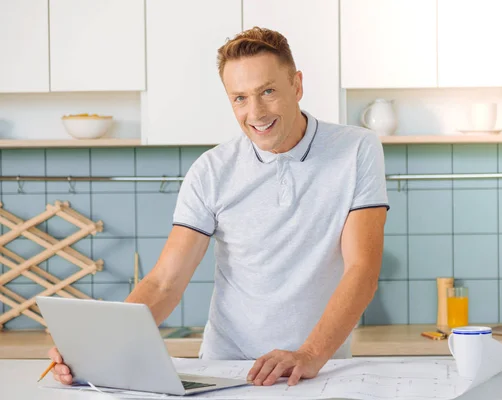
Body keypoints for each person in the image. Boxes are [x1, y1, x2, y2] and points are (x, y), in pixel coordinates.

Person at [48, 26, 388, 388]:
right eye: (239, 98)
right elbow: (164, 283)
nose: (255, 112)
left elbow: (362, 267)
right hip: (228, 368)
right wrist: (96, 348)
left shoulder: (356, 150)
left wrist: (310, 354)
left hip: (315, 368)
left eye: (268, 92)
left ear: (297, 85)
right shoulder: (211, 171)